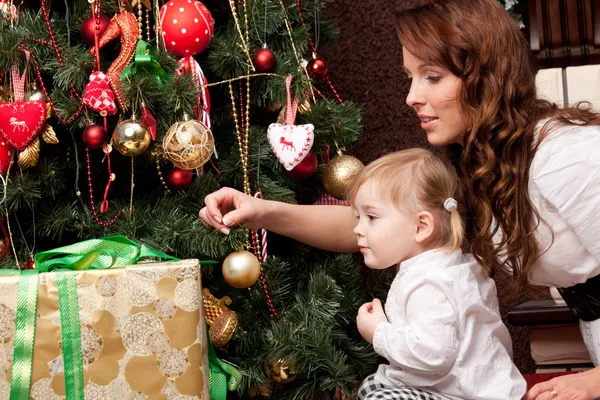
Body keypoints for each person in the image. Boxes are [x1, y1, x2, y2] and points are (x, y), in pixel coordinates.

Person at [200, 0, 600, 398]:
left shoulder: (564, 158)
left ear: (486, 78)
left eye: (432, 77)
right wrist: (264, 212)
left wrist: (593, 382)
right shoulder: (479, 167)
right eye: (411, 77)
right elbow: (380, 227)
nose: (411, 96)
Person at [349, 149, 526, 399]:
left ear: (421, 226)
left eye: (371, 217)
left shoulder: (430, 283)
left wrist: (379, 331)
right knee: (371, 385)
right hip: (455, 387)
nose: (358, 229)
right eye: (358, 217)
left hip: (467, 394)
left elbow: (433, 356)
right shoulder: (444, 266)